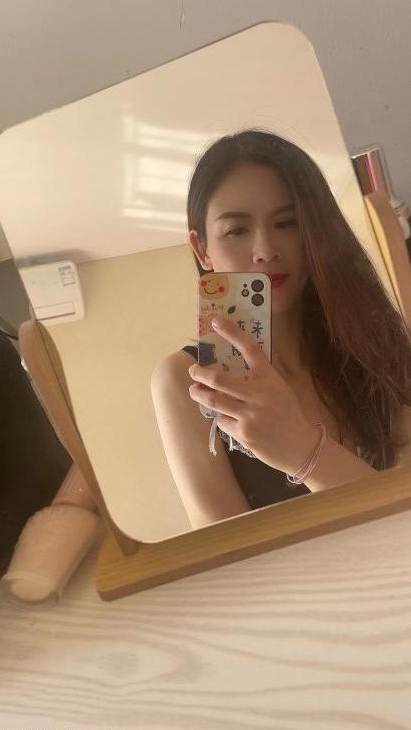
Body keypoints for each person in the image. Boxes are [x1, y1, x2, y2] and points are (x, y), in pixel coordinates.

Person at [151, 130, 411, 529]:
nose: (266, 250)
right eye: (237, 230)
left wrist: (305, 452)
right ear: (202, 249)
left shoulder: (369, 344)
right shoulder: (186, 381)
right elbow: (230, 554)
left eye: (287, 223)